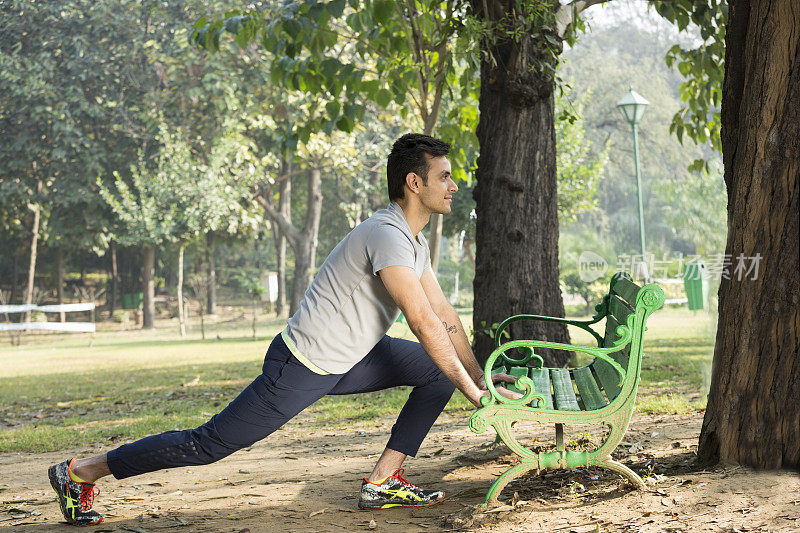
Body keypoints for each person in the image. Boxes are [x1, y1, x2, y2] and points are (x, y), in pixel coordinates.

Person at [48, 133, 517, 526]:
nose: (454, 186)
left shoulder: (413, 242)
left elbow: (447, 319)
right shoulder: (386, 234)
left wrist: (478, 381)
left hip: (353, 359)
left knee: (437, 374)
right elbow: (421, 322)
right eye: (445, 176)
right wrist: (476, 396)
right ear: (415, 183)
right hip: (303, 364)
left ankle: (382, 482)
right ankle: (81, 471)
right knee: (208, 444)